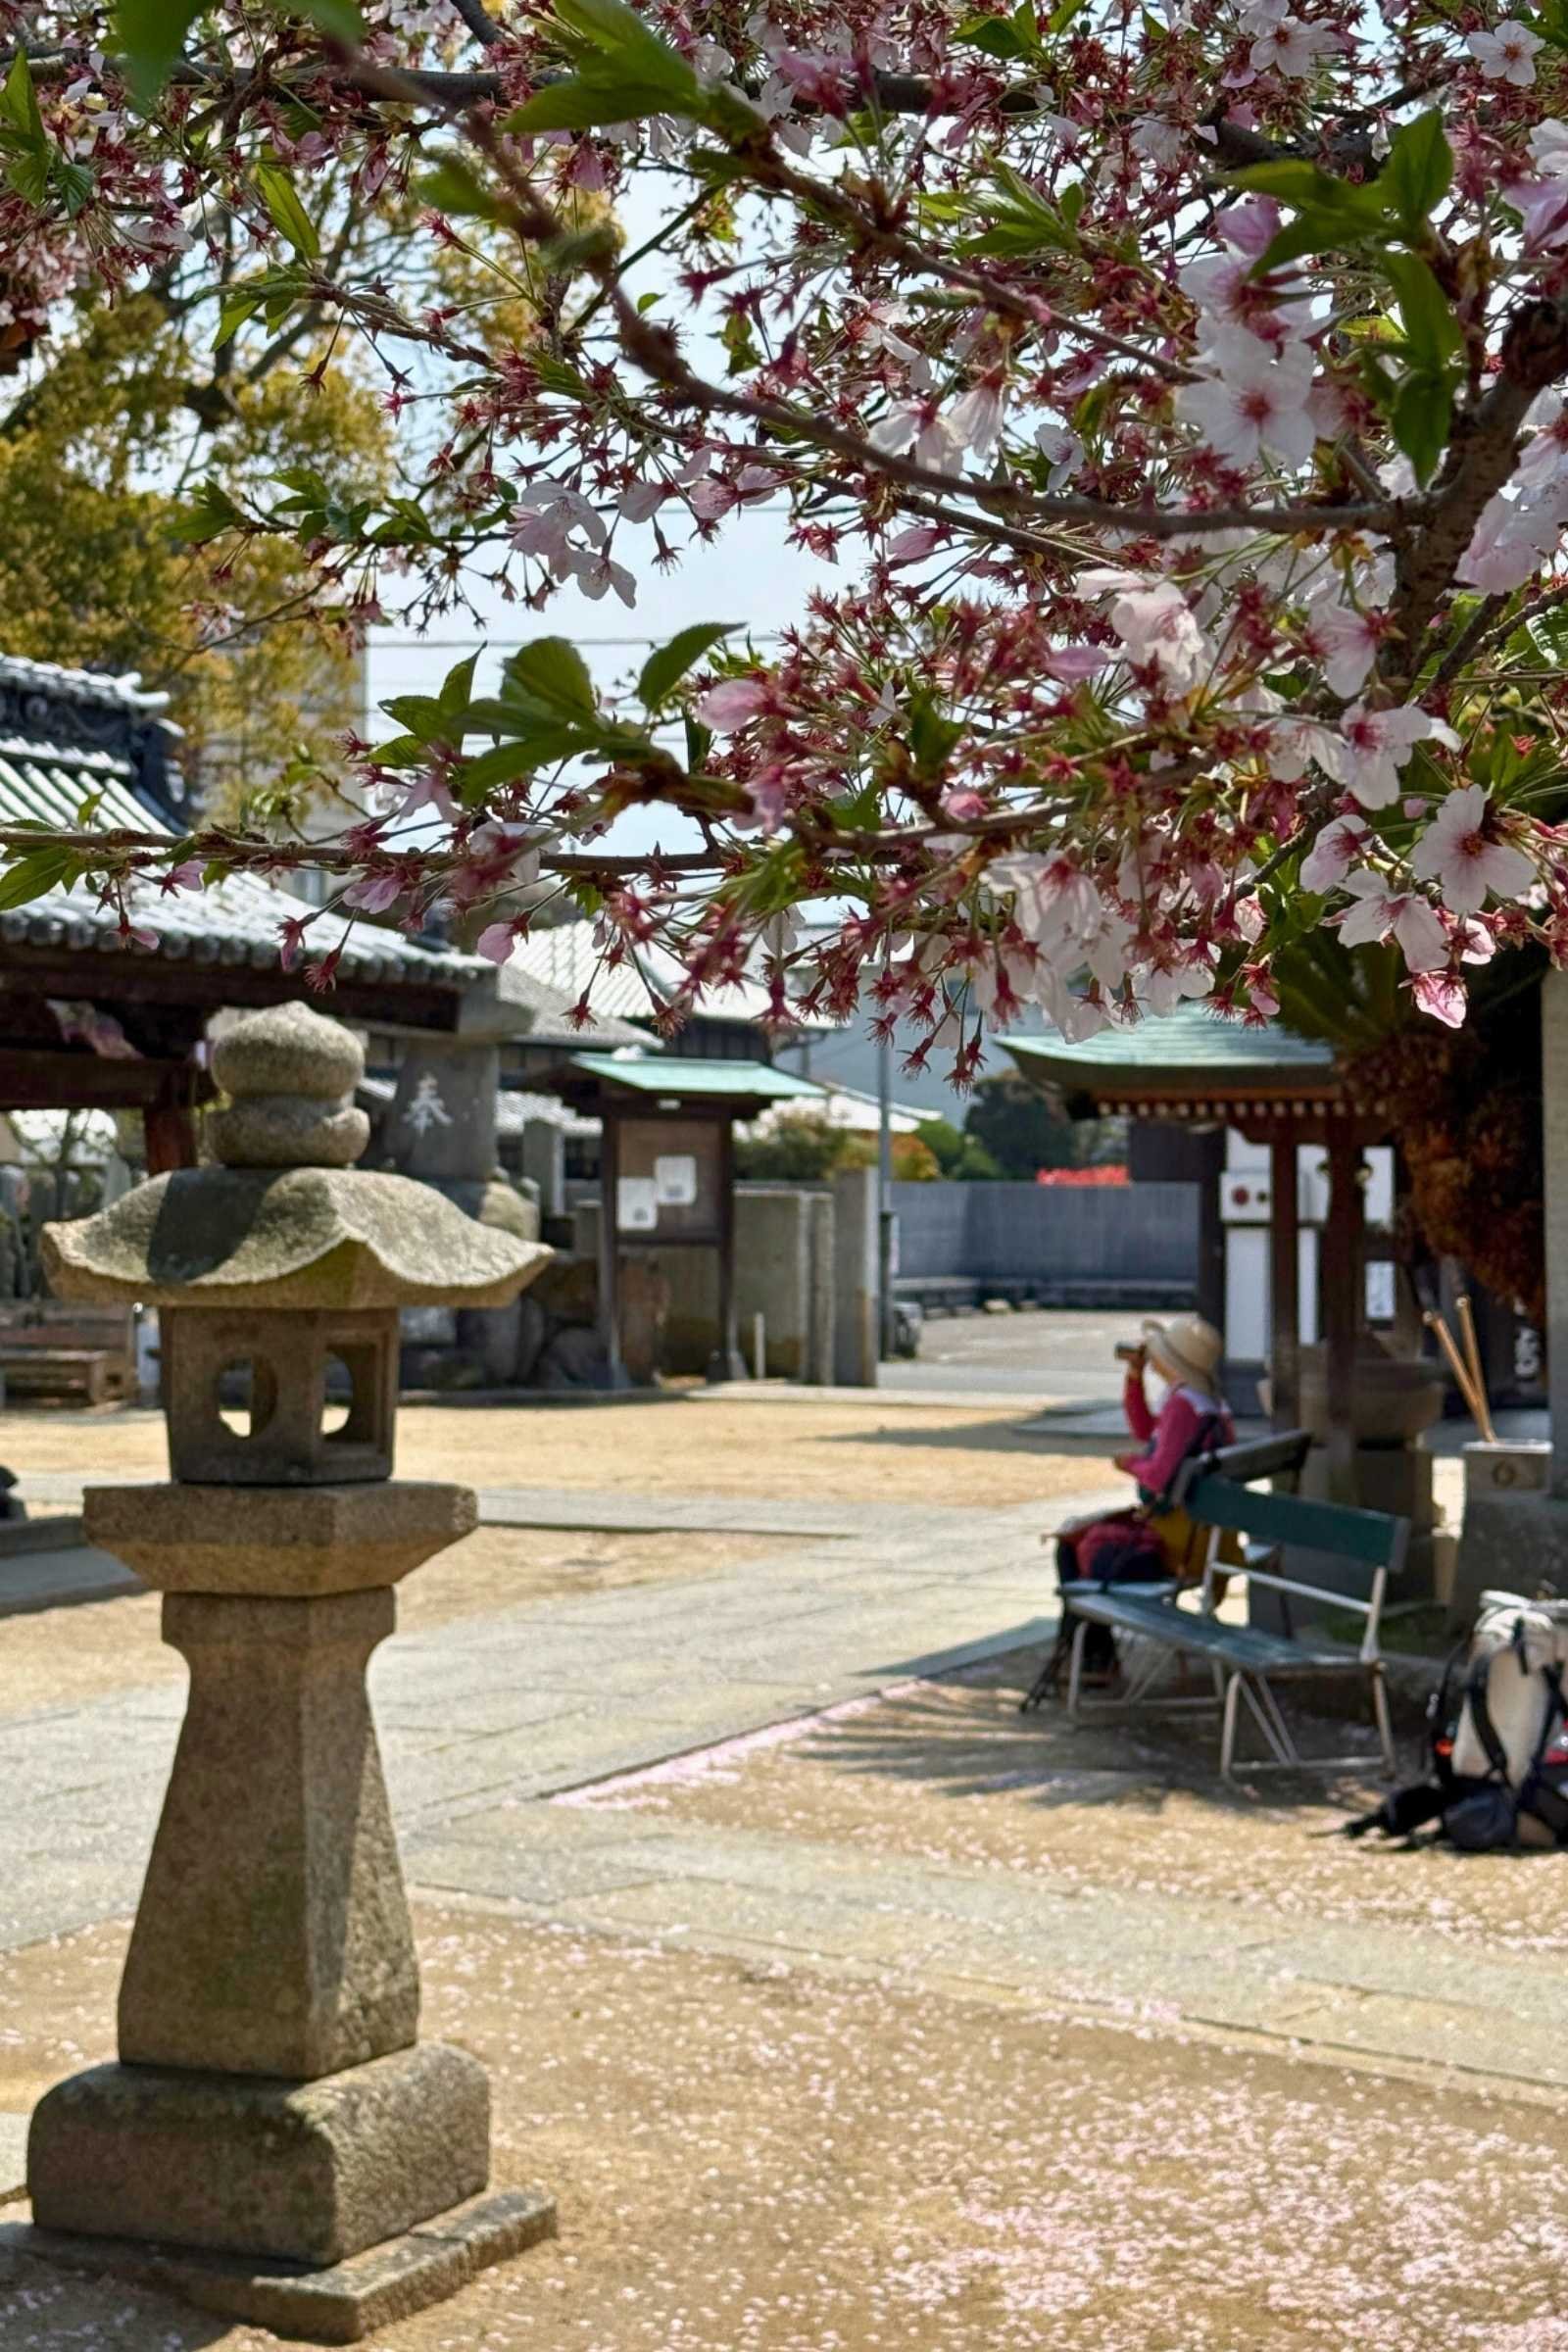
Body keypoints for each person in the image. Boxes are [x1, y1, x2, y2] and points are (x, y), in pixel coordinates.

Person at [1030, 1315, 1234, 1700]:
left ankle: (1091, 1660)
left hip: (1177, 1546)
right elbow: (1146, 1431)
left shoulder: (1183, 1408)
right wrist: (1134, 1380)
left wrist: (1129, 1464)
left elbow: (1156, 1475)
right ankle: (1089, 1658)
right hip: (1203, 1536)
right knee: (1077, 1541)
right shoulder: (1209, 1405)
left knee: (1070, 1548)